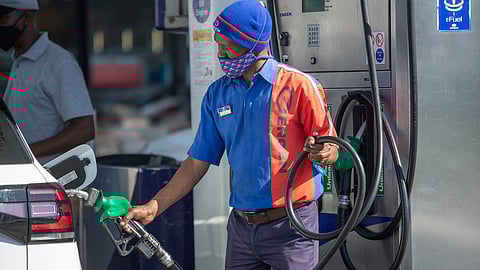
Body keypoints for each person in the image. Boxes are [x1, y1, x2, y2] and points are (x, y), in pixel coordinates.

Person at [121, 0, 338, 269]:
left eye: (226, 45)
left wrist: (324, 151)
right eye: (217, 43)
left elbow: (332, 149)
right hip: (242, 229)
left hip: (292, 228)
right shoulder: (217, 94)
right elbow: (195, 163)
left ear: (253, 44)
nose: (220, 52)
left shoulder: (300, 86)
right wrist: (154, 206)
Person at [0, 0, 94, 164]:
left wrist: (26, 153)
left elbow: (84, 129)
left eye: (4, 18)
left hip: (51, 181)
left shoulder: (59, 63)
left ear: (27, 17)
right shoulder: (18, 62)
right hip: (27, 174)